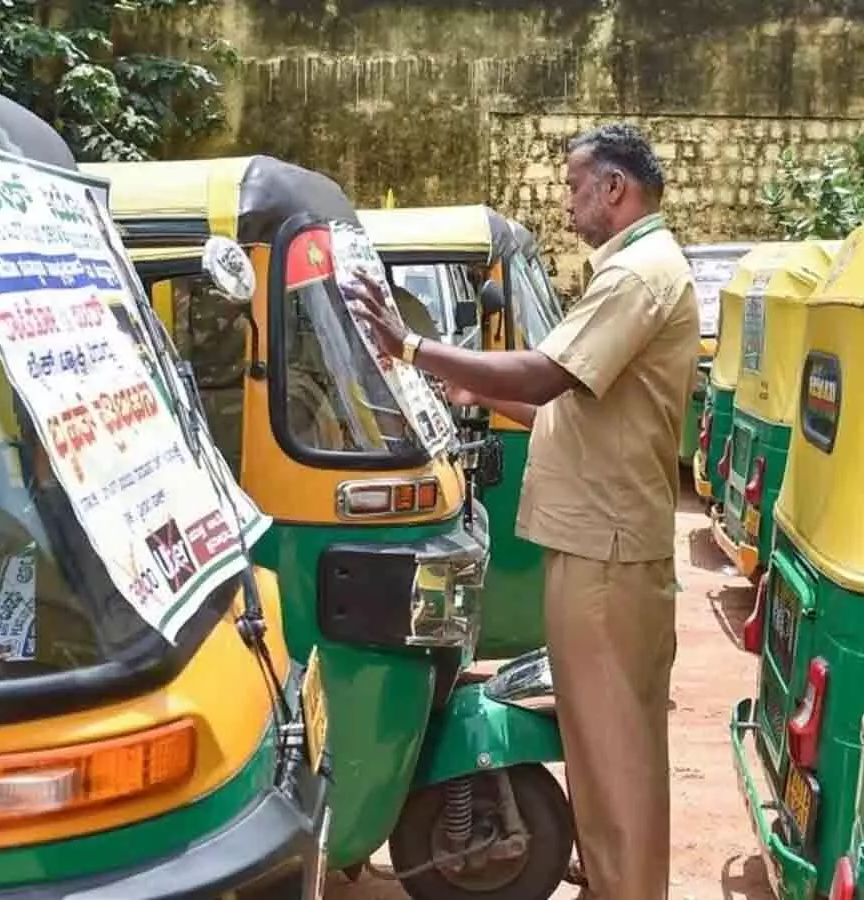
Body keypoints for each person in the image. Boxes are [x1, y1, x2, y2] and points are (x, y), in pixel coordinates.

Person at [344, 123, 698, 900]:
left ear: (615, 187)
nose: (567, 203)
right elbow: (560, 406)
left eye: (576, 187)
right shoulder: (632, 270)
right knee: (603, 749)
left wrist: (412, 347)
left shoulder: (637, 275)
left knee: (616, 757)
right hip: (598, 539)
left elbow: (544, 377)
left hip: (606, 548)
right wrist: (469, 389)